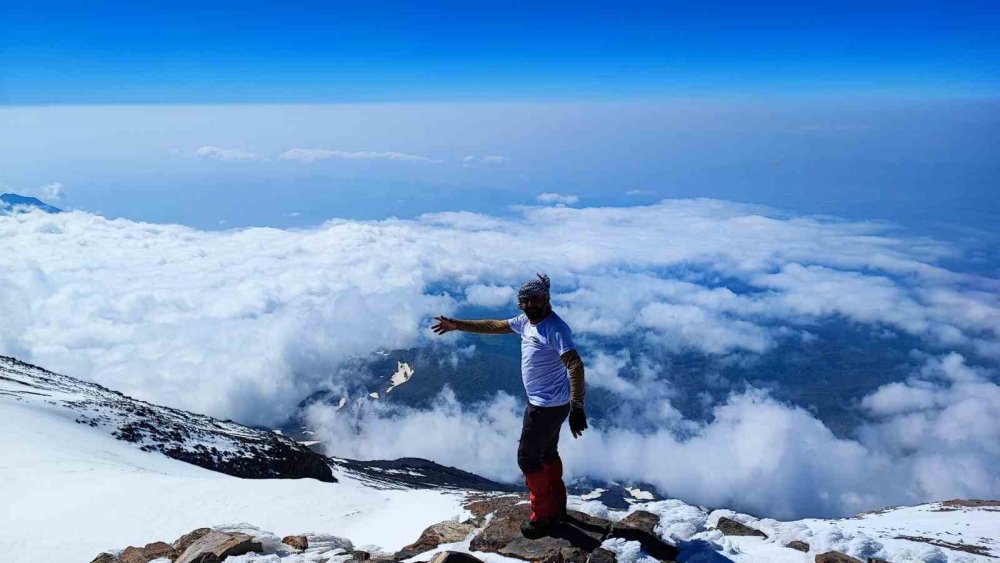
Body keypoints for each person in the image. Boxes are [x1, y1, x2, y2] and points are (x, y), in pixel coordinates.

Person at [431, 273, 587, 539]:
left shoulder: (554, 328)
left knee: (527, 458)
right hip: (551, 404)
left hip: (546, 407)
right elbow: (494, 326)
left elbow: (575, 365)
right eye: (524, 302)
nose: (529, 306)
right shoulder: (527, 322)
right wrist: (457, 325)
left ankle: (543, 517)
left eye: (534, 300)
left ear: (546, 299)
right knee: (547, 453)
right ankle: (557, 508)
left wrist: (578, 407)